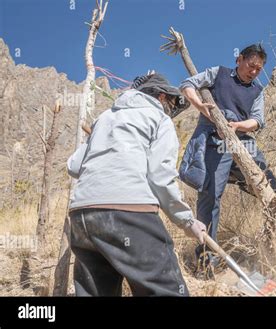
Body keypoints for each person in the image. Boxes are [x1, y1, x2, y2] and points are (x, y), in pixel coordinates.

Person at [66, 72, 206, 296]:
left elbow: (73, 166)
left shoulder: (104, 118)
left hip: (82, 216)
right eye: (171, 104)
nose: (171, 111)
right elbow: (160, 177)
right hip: (128, 213)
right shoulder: (159, 119)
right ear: (161, 97)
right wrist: (187, 221)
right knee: (166, 290)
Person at [178, 44, 276, 277]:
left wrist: (237, 126)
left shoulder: (257, 90)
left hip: (242, 139)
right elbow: (187, 85)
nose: (254, 72)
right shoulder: (219, 73)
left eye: (259, 69)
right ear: (239, 59)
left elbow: (257, 120)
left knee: (270, 185)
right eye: (251, 65)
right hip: (214, 139)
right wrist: (201, 107)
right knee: (210, 196)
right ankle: (206, 262)